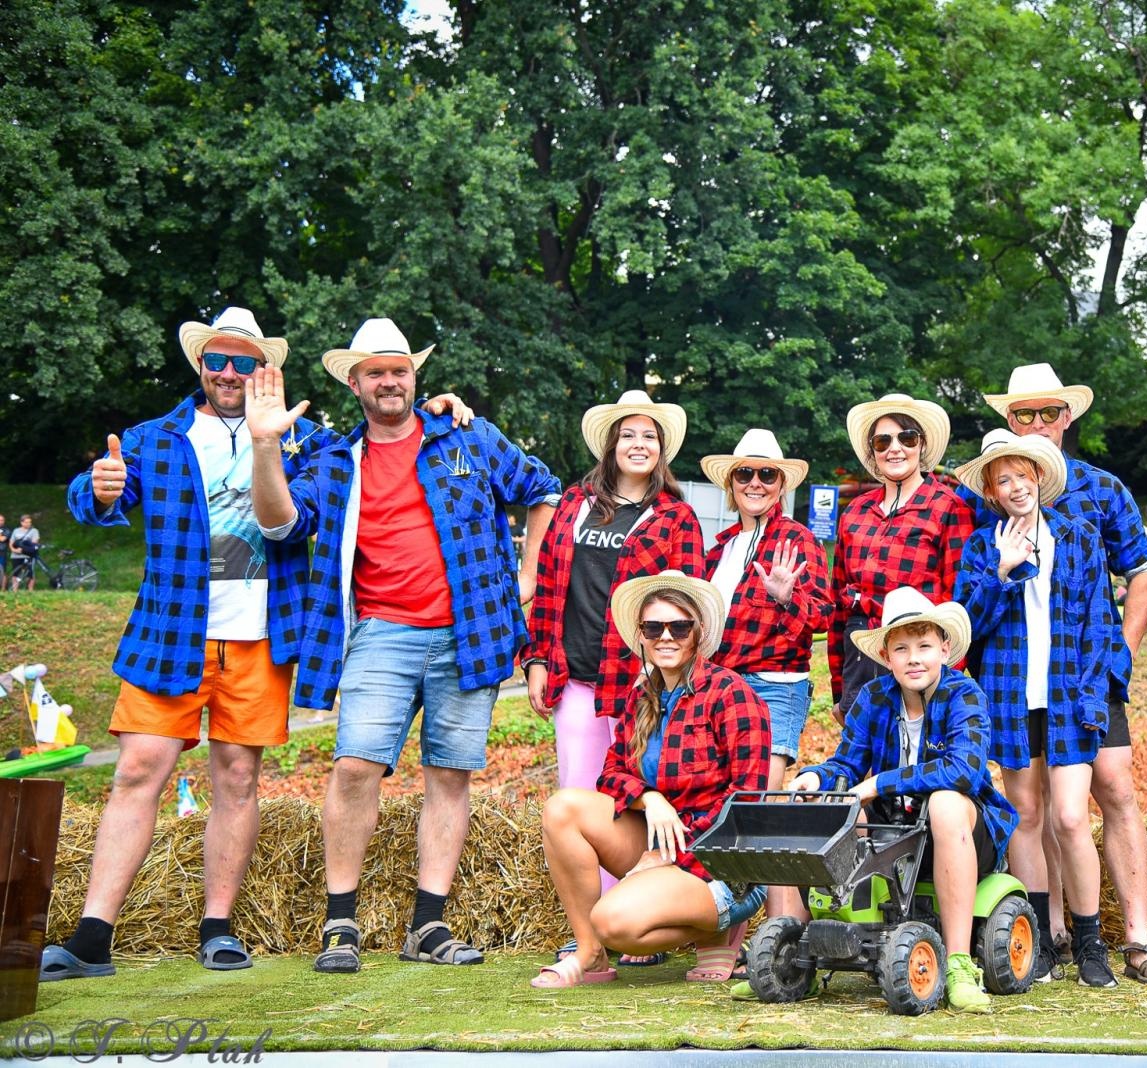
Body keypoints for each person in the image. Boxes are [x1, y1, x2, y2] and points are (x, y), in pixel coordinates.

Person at [43, 307, 348, 980]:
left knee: (237, 780)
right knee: (135, 773)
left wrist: (268, 445)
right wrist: (98, 490)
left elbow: (292, 528)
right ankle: (93, 935)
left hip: (259, 637)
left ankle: (218, 927)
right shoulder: (157, 438)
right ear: (201, 367)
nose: (231, 372)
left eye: (246, 361)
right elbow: (94, 497)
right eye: (220, 360)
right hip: (170, 632)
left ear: (264, 370)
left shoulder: (309, 444)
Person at [248, 317, 561, 974]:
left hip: (469, 633)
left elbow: (541, 490)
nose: (390, 381)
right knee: (355, 768)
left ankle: (429, 924)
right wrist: (265, 448)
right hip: (380, 633)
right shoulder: (334, 456)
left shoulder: (467, 437)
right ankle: (340, 924)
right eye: (376, 372)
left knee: (449, 775)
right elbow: (280, 524)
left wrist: (529, 572)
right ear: (355, 383)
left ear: (414, 378)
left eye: (400, 369)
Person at [964, 363, 1147, 985]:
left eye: (1047, 413)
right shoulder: (985, 523)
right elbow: (968, 612)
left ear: (1067, 416)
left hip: (1086, 674)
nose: (1036, 423)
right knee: (1035, 808)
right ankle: (1046, 932)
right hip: (1015, 683)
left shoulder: (1099, 493)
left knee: (1106, 793)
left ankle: (1131, 935)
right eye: (1023, 414)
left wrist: (1119, 658)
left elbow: (1141, 572)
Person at [519, 389, 705, 952]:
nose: (639, 444)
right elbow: (550, 586)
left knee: (644, 794)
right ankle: (590, 933)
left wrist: (677, 679)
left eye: (649, 436)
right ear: (611, 444)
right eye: (628, 434)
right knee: (580, 800)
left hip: (644, 684)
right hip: (576, 676)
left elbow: (689, 604)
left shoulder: (677, 517)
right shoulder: (576, 504)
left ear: (662, 449)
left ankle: (640, 924)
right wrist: (535, 660)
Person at [533, 572, 770, 988]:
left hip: (720, 864)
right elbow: (612, 772)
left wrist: (672, 858)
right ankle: (589, 953)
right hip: (660, 843)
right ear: (641, 635)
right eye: (653, 627)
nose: (666, 637)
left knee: (613, 921)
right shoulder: (645, 696)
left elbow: (746, 804)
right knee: (561, 809)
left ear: (698, 631)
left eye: (678, 627)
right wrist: (650, 798)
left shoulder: (731, 694)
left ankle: (721, 926)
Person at [792, 589, 1018, 1014]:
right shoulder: (874, 699)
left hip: (959, 835)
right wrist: (817, 777)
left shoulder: (964, 695)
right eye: (902, 648)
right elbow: (848, 762)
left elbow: (964, 770)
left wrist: (881, 783)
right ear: (885, 654)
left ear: (944, 649)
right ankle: (795, 947)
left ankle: (957, 963)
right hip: (895, 833)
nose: (914, 658)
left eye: (924, 646)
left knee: (945, 802)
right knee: (829, 805)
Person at [699, 428, 829, 928]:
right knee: (729, 810)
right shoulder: (720, 551)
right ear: (732, 483)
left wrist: (784, 597)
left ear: (781, 484)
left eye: (766, 474)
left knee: (763, 810)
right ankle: (737, 935)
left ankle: (785, 935)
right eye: (745, 474)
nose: (755, 482)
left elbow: (820, 617)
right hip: (722, 689)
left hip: (776, 685)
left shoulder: (796, 540)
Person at [829, 393, 975, 724]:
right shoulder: (855, 512)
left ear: (921, 445)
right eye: (883, 441)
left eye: (905, 437)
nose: (894, 448)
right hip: (861, 655)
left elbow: (959, 604)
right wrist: (840, 688)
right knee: (861, 764)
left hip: (918, 658)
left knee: (915, 765)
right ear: (873, 451)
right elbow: (839, 606)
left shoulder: (948, 507)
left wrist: (946, 677)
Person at [8, 514, 39, 590]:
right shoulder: (16, 530)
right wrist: (14, 550)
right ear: (21, 522)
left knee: (30, 574)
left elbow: (34, 542)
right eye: (26, 522)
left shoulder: (34, 531)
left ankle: (30, 590)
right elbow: (11, 542)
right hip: (16, 555)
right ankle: (15, 590)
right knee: (16, 573)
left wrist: (24, 549)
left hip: (28, 555)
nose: (28, 524)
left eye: (30, 522)